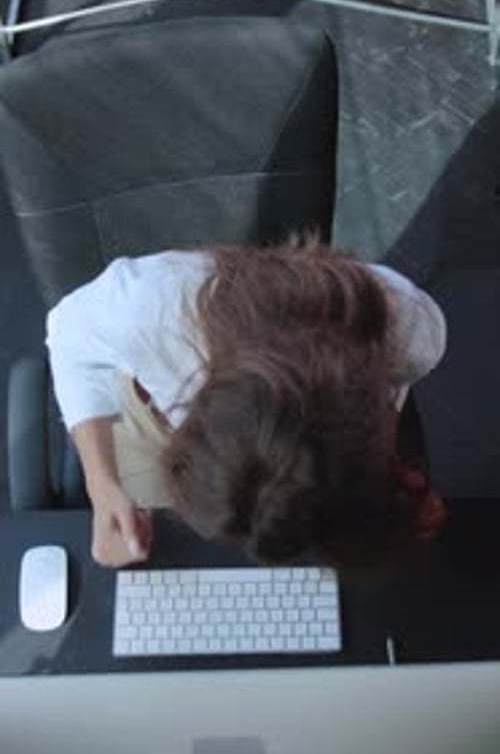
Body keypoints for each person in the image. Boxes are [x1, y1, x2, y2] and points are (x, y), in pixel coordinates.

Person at [45, 236, 447, 570]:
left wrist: (380, 467)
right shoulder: (148, 307)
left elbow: (395, 383)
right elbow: (66, 335)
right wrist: (103, 488)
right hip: (151, 421)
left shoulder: (411, 328)